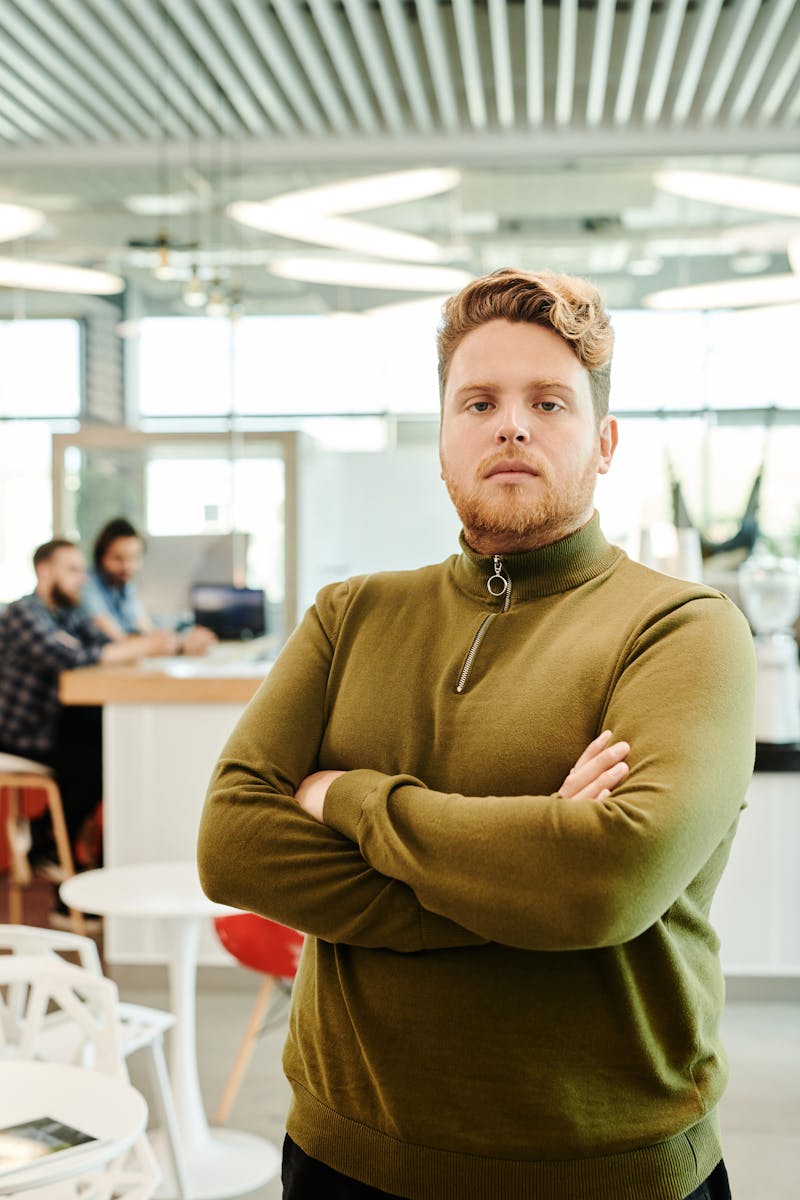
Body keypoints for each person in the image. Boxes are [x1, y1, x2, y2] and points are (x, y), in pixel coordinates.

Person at [197, 268, 755, 1200]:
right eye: (479, 401)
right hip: (343, 1157)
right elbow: (233, 845)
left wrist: (347, 797)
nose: (513, 424)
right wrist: (523, 881)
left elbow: (603, 880)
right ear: (443, 442)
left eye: (549, 401)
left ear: (605, 441)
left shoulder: (685, 629)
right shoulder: (350, 615)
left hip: (607, 1174)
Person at [0, 538, 179, 874]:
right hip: (19, 732)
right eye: (72, 570)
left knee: (112, 747)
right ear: (44, 570)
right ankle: (46, 846)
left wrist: (166, 645)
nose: (81, 578)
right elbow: (70, 656)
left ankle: (47, 841)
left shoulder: (67, 612)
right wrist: (147, 646)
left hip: (53, 725)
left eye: (82, 570)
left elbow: (108, 645)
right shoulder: (23, 612)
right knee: (97, 760)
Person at [83, 517, 217, 655]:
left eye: (134, 558)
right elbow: (119, 641)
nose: (128, 566)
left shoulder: (125, 586)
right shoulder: (87, 586)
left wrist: (183, 638)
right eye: (118, 559)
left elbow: (145, 630)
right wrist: (181, 645)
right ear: (101, 558)